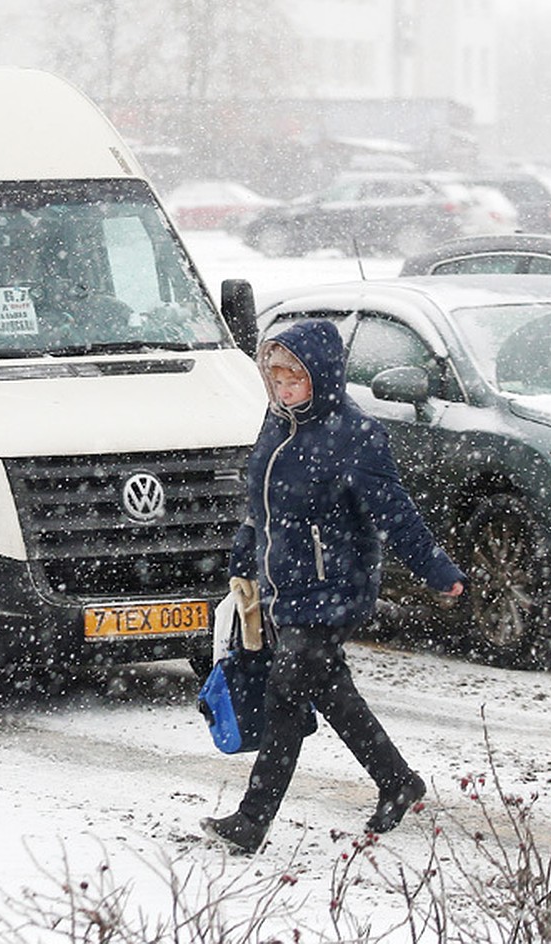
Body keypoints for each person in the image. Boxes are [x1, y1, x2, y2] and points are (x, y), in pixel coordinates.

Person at [201, 320, 465, 855]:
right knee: (332, 693)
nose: (282, 389)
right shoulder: (277, 425)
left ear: (320, 376)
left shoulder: (357, 435)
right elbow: (262, 502)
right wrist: (243, 557)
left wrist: (438, 571)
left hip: (333, 590)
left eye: (292, 379)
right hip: (285, 588)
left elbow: (396, 514)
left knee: (285, 698)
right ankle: (397, 780)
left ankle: (252, 822)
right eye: (274, 378)